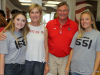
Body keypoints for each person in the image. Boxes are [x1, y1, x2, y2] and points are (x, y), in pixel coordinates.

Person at [46, 2, 78, 75]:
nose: (62, 13)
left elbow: (76, 44)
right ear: (57, 11)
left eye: (65, 10)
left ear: (68, 11)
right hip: (51, 57)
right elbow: (45, 42)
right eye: (60, 10)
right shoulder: (50, 24)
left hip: (66, 58)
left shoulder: (74, 25)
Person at [65, 11, 100, 75]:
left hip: (87, 71)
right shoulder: (77, 33)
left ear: (92, 21)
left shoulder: (97, 35)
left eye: (87, 19)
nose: (84, 21)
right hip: (74, 69)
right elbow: (72, 51)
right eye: (82, 19)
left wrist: (94, 72)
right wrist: (67, 67)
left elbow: (98, 55)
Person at [25, 3, 49, 75]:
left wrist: (47, 64)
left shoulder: (44, 29)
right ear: (29, 14)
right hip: (26, 61)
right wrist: (2, 33)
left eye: (37, 12)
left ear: (40, 14)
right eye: (32, 12)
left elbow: (46, 47)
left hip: (40, 62)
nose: (34, 15)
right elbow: (12, 30)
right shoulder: (25, 27)